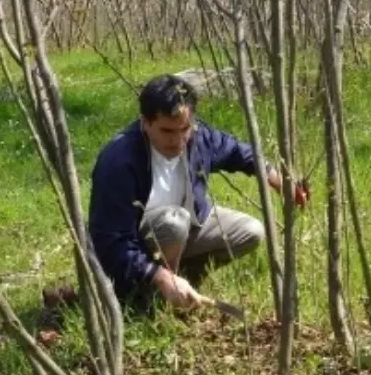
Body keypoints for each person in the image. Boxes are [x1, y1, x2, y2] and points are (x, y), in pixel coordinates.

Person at [87, 74, 307, 313]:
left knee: (251, 231)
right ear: (145, 122)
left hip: (184, 230)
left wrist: (280, 181)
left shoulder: (198, 137)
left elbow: (238, 152)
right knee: (175, 221)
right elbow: (110, 241)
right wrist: (158, 275)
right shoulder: (119, 162)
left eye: (185, 129)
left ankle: (182, 282)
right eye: (167, 131)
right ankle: (149, 296)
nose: (178, 140)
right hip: (139, 243)